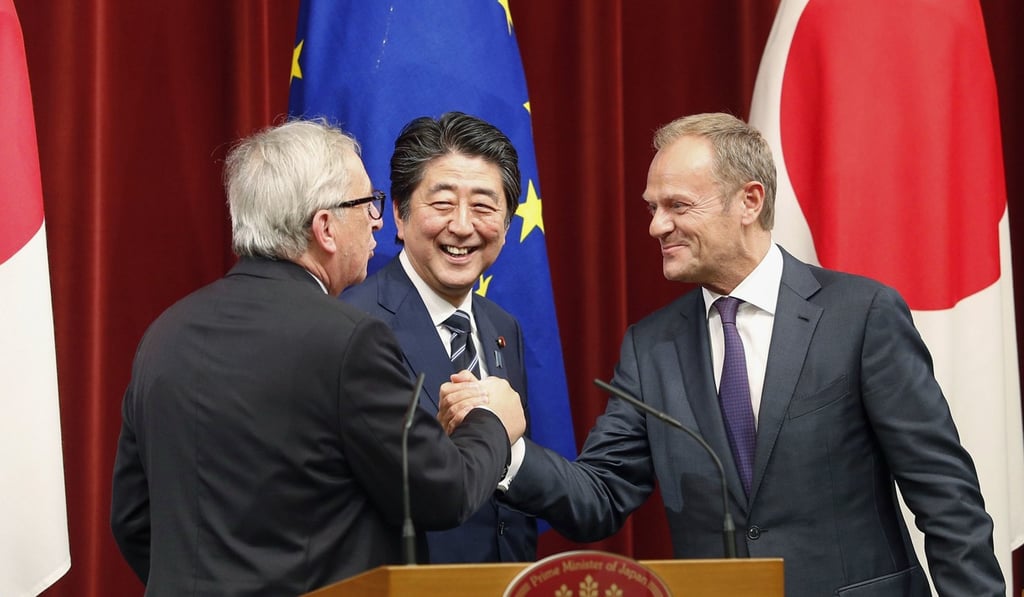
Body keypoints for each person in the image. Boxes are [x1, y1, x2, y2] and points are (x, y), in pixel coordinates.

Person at [439, 113, 1004, 595]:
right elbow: (601, 495)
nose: (657, 225)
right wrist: (506, 449)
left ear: (749, 201)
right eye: (652, 207)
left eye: (677, 206)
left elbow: (945, 497)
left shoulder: (860, 315)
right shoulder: (651, 346)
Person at [109, 119, 525, 596]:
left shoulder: (165, 333)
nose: (376, 220)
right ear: (325, 228)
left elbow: (133, 520)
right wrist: (492, 420)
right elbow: (439, 494)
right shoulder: (349, 340)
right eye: (367, 204)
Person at [342, 112, 535, 563]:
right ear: (400, 215)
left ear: (507, 225)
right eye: (443, 204)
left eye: (485, 207)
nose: (464, 226)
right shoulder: (355, 323)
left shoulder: (502, 327)